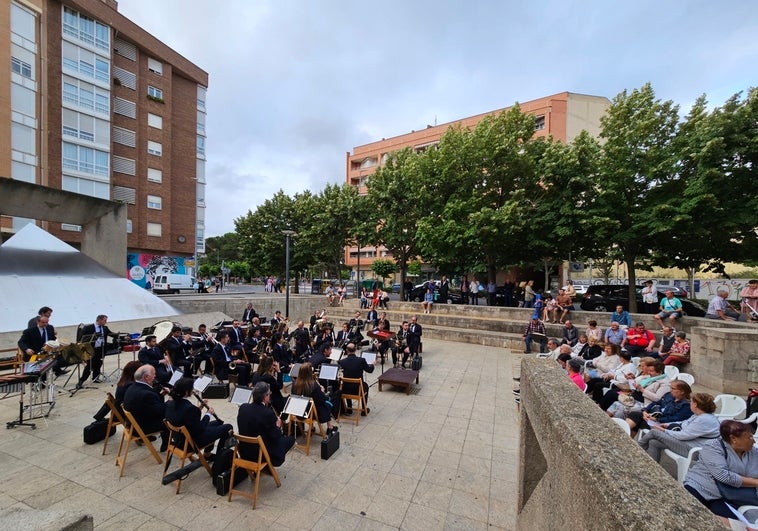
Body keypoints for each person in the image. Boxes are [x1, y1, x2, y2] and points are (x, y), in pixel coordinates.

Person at [684, 420, 758, 519]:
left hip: (728, 496)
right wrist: (754, 482)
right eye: (749, 437)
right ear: (733, 438)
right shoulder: (713, 446)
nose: (754, 441)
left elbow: (752, 473)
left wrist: (747, 479)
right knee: (688, 513)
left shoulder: (753, 452)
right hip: (701, 487)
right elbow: (723, 475)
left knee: (727, 522)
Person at [638, 392, 720, 463]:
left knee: (654, 432)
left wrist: (663, 430)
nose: (690, 404)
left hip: (694, 450)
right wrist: (667, 424)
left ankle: (637, 449)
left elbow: (683, 435)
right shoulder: (700, 415)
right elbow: (683, 423)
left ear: (695, 404)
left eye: (691, 402)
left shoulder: (704, 419)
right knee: (653, 442)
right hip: (687, 444)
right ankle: (653, 467)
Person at [166, 377, 233, 455]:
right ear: (186, 392)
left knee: (218, 423)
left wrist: (199, 408)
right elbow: (200, 428)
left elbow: (185, 416)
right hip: (191, 443)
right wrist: (208, 414)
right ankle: (219, 457)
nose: (193, 390)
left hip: (179, 439)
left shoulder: (170, 403)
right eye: (192, 388)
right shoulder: (189, 408)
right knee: (228, 427)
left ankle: (207, 454)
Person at [237, 382, 295, 467]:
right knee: (290, 439)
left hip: (244, 452)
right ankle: (272, 462)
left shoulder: (243, 407)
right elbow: (276, 435)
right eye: (269, 394)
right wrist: (278, 426)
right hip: (261, 454)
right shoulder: (267, 413)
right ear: (265, 397)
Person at [122, 364, 169, 452]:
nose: (155, 376)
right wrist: (171, 400)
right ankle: (169, 444)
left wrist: (160, 395)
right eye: (153, 374)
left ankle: (167, 443)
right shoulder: (146, 394)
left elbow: (149, 405)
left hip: (132, 424)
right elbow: (161, 411)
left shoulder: (133, 386)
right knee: (173, 417)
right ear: (146, 377)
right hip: (141, 427)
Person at [599, 357, 670, 411]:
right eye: (649, 371)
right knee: (611, 393)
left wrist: (642, 390)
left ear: (660, 372)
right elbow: (636, 385)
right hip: (634, 394)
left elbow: (657, 398)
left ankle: (600, 409)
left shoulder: (665, 383)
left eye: (651, 371)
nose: (649, 373)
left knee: (612, 394)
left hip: (643, 401)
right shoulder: (651, 377)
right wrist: (632, 380)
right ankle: (601, 409)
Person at [625, 380, 693, 435]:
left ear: (682, 392)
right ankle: (626, 438)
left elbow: (675, 418)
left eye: (673, 389)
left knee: (638, 420)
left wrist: (656, 419)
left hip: (663, 425)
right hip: (654, 418)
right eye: (671, 388)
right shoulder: (669, 395)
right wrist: (645, 410)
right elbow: (656, 402)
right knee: (635, 414)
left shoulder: (686, 405)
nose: (670, 390)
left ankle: (625, 437)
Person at [291, 363, 337, 434]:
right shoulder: (314, 385)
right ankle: (330, 426)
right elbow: (322, 399)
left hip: (298, 411)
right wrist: (322, 391)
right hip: (311, 413)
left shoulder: (294, 384)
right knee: (326, 404)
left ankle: (311, 427)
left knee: (313, 402)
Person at [78, 314, 118, 386]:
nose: (106, 322)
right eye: (104, 320)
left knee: (98, 363)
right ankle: (82, 380)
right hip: (91, 349)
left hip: (101, 349)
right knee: (90, 365)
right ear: (99, 320)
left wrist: (122, 336)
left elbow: (112, 334)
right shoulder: (88, 327)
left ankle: (95, 378)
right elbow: (81, 338)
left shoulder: (105, 328)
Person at [338, 343, 376, 415]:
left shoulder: (342, 362)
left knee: (346, 383)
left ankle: (349, 408)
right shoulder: (361, 360)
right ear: (355, 350)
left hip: (346, 389)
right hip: (358, 389)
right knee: (366, 386)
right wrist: (372, 365)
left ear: (347, 350)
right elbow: (369, 370)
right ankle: (363, 409)